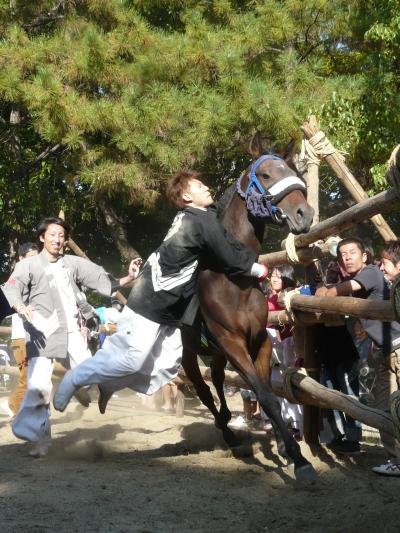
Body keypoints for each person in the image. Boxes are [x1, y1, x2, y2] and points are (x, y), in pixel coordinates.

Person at [53, 170, 269, 415]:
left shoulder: (195, 216)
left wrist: (247, 175)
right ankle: (74, 378)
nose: (207, 187)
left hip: (167, 308)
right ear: (187, 196)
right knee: (133, 358)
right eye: (200, 185)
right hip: (150, 303)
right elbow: (228, 254)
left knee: (163, 364)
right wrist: (255, 267)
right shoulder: (200, 221)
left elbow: (222, 207)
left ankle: (106, 384)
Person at [2, 217, 138, 457]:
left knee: (87, 372)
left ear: (65, 240)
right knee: (39, 386)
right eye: (52, 234)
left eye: (61, 235)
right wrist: (19, 306)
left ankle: (76, 388)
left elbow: (100, 279)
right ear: (42, 237)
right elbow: (11, 287)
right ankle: (41, 440)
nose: (57, 239)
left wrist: (127, 278)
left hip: (74, 330)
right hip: (41, 334)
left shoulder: (72, 263)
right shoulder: (28, 265)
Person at [316, 238, 400, 474]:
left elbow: (341, 290)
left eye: (352, 252)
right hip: (383, 351)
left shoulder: (371, 272)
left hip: (397, 346)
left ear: (365, 256)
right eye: (342, 254)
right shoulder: (361, 279)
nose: (347, 257)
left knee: (393, 405)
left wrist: (325, 291)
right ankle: (396, 459)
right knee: (384, 407)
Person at [267, 265, 303, 439]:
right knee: (276, 382)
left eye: (278, 276)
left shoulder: (291, 296)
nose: (274, 279)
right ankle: (281, 422)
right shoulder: (269, 296)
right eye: (272, 276)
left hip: (289, 342)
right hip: (273, 346)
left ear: (286, 278)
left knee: (290, 380)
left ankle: (297, 424)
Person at [8, 242, 39, 417]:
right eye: (31, 258)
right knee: (27, 379)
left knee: (35, 377)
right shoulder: (17, 278)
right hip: (21, 338)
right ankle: (16, 413)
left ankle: (13, 404)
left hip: (36, 338)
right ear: (20, 259)